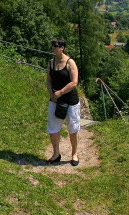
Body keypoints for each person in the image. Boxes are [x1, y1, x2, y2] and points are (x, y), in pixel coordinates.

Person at [46, 37, 81, 166]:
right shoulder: (50, 62)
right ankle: (56, 154)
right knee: (53, 128)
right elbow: (48, 80)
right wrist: (52, 94)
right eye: (53, 46)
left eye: (56, 46)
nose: (54, 48)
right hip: (55, 100)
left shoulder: (70, 63)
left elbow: (74, 82)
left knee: (72, 128)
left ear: (62, 48)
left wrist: (60, 92)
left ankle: (74, 154)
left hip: (70, 101)